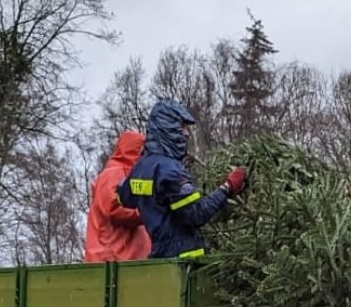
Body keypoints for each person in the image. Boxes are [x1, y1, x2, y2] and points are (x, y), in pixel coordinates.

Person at [116, 100, 247, 259]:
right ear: (167, 127)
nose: (186, 133)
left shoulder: (141, 167)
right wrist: (227, 187)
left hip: (160, 256)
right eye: (182, 127)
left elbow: (123, 198)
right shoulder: (170, 171)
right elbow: (196, 214)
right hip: (184, 261)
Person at [84, 129, 151, 262]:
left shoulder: (128, 174)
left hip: (126, 259)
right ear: (135, 151)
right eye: (143, 152)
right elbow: (114, 209)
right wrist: (150, 211)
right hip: (114, 259)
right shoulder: (113, 174)